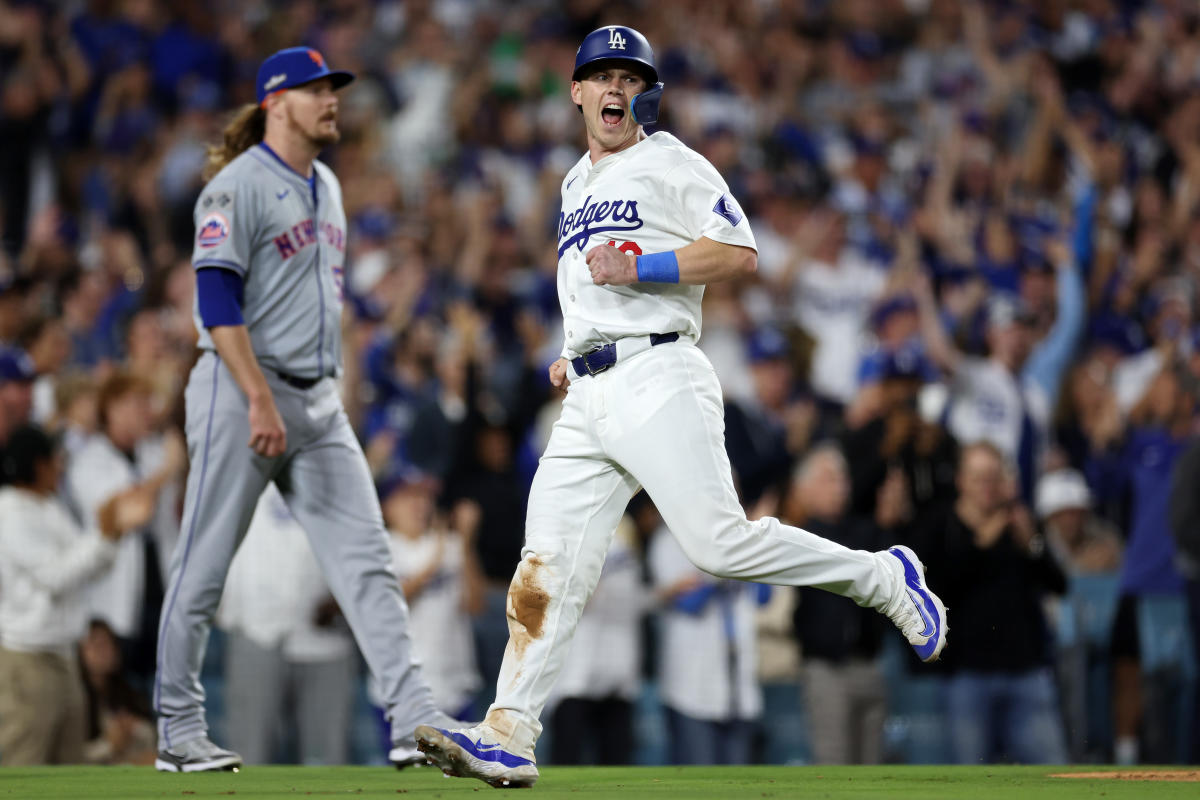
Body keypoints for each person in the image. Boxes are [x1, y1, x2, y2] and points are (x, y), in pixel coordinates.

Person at [414, 26, 947, 788]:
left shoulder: (669, 160)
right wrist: (580, 347)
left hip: (660, 375)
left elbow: (738, 252)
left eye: (629, 77)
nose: (614, 88)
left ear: (644, 92)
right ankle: (510, 731)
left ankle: (883, 578)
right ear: (575, 90)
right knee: (545, 567)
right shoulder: (571, 184)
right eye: (600, 75)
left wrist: (646, 263)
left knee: (719, 546)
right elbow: (594, 289)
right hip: (593, 391)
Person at [152, 47, 463, 773]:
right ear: (275, 102)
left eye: (334, 89)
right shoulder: (235, 187)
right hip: (240, 389)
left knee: (368, 562)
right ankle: (176, 728)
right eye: (315, 90)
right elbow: (217, 301)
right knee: (203, 565)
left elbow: (317, 302)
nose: (331, 100)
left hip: (318, 398)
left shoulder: (326, 183)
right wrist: (259, 395)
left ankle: (412, 717)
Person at [0, 424, 152, 765]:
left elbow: (85, 566)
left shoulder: (50, 506)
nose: (61, 466)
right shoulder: (8, 512)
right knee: (23, 762)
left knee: (70, 765)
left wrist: (110, 535)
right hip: (27, 657)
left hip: (64, 654)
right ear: (38, 464)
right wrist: (104, 533)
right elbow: (56, 575)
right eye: (55, 459)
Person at [918, 442, 1068, 764]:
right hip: (967, 674)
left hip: (1025, 669)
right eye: (978, 478)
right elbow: (935, 592)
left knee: (1051, 773)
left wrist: (1032, 544)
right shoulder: (940, 525)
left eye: (993, 477)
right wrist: (980, 544)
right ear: (961, 480)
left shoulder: (1019, 522)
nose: (987, 486)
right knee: (970, 778)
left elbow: (1059, 584)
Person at [216, 483, 358, 765]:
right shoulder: (239, 467)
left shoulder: (339, 473)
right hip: (256, 629)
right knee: (252, 756)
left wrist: (343, 595)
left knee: (327, 764)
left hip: (326, 641)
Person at [65, 371, 185, 689]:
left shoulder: (154, 452)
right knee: (127, 696)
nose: (147, 410)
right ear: (113, 408)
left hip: (161, 590)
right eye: (137, 403)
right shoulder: (88, 461)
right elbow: (130, 513)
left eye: (148, 402)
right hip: (114, 601)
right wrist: (167, 472)